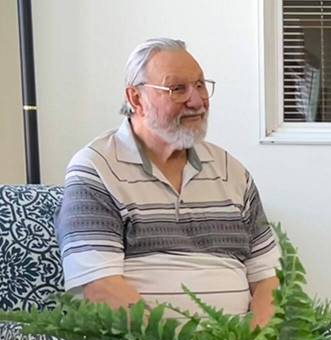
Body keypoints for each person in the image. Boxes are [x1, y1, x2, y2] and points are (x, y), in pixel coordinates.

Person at [55, 38, 279, 325]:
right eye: (177, 89)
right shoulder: (96, 168)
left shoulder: (231, 172)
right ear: (136, 98)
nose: (197, 100)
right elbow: (100, 288)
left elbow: (268, 279)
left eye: (200, 85)